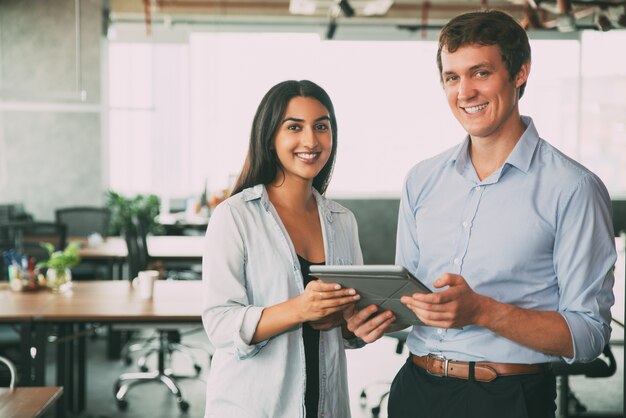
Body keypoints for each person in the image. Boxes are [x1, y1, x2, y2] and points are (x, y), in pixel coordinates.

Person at [345, 10, 616, 418]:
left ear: (520, 73)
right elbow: (412, 299)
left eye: (480, 73)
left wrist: (483, 312)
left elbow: (590, 334)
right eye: (452, 77)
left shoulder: (573, 188)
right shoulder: (422, 179)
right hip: (414, 390)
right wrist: (370, 317)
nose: (464, 91)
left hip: (507, 398)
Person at [201, 79, 363, 418]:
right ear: (270, 137)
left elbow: (347, 329)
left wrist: (359, 322)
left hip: (327, 404)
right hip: (254, 405)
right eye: (294, 127)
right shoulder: (235, 216)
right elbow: (219, 324)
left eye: (322, 127)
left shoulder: (342, 221)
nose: (311, 140)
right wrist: (300, 309)